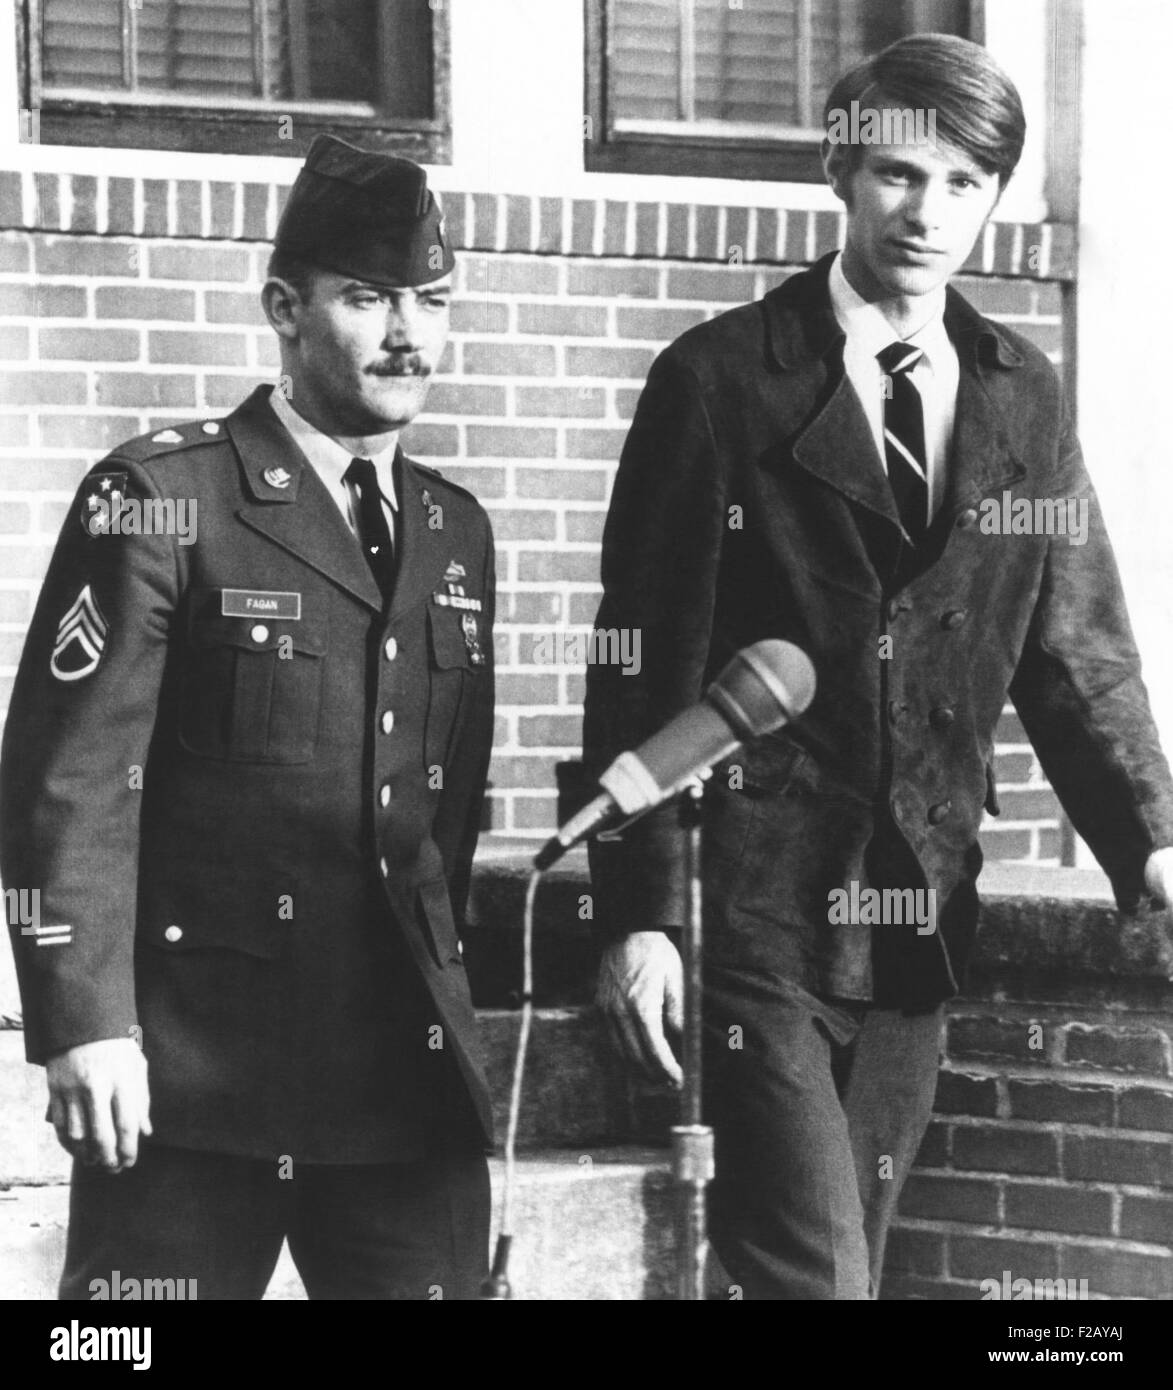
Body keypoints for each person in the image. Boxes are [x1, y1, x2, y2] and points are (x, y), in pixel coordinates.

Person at [583, 34, 1173, 1300]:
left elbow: (1077, 648)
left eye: (965, 184)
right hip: (753, 910)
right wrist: (638, 909)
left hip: (917, 913)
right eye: (901, 175)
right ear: (840, 171)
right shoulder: (721, 382)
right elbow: (640, 665)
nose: (928, 212)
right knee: (817, 1278)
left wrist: (1152, 840)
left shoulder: (1022, 397)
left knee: (855, 1263)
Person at [1, 135, 496, 1300]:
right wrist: (84, 1024)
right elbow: (63, 778)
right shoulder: (166, 497)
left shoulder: (455, 531)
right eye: (367, 299)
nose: (407, 334)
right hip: (191, 1080)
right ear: (285, 306)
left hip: (398, 1082)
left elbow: (446, 815)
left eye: (431, 301)